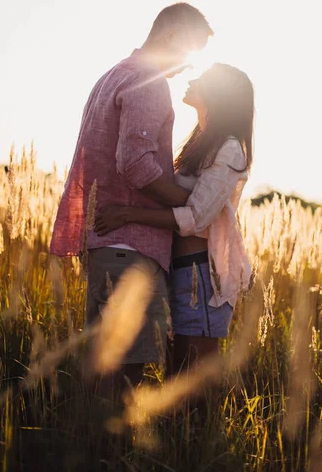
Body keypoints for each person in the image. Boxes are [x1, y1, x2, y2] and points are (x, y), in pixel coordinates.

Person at [50, 3, 213, 389]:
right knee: (126, 378)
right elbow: (136, 164)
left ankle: (95, 448)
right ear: (171, 37)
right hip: (131, 254)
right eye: (190, 53)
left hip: (108, 247)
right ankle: (114, 451)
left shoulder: (113, 75)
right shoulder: (149, 82)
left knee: (104, 371)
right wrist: (189, 205)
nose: (190, 67)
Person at [94, 63, 254, 376]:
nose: (193, 79)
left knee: (190, 378)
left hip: (204, 275)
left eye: (204, 78)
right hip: (177, 269)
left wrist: (127, 214)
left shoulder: (230, 149)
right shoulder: (200, 143)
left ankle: (202, 427)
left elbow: (196, 217)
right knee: (174, 375)